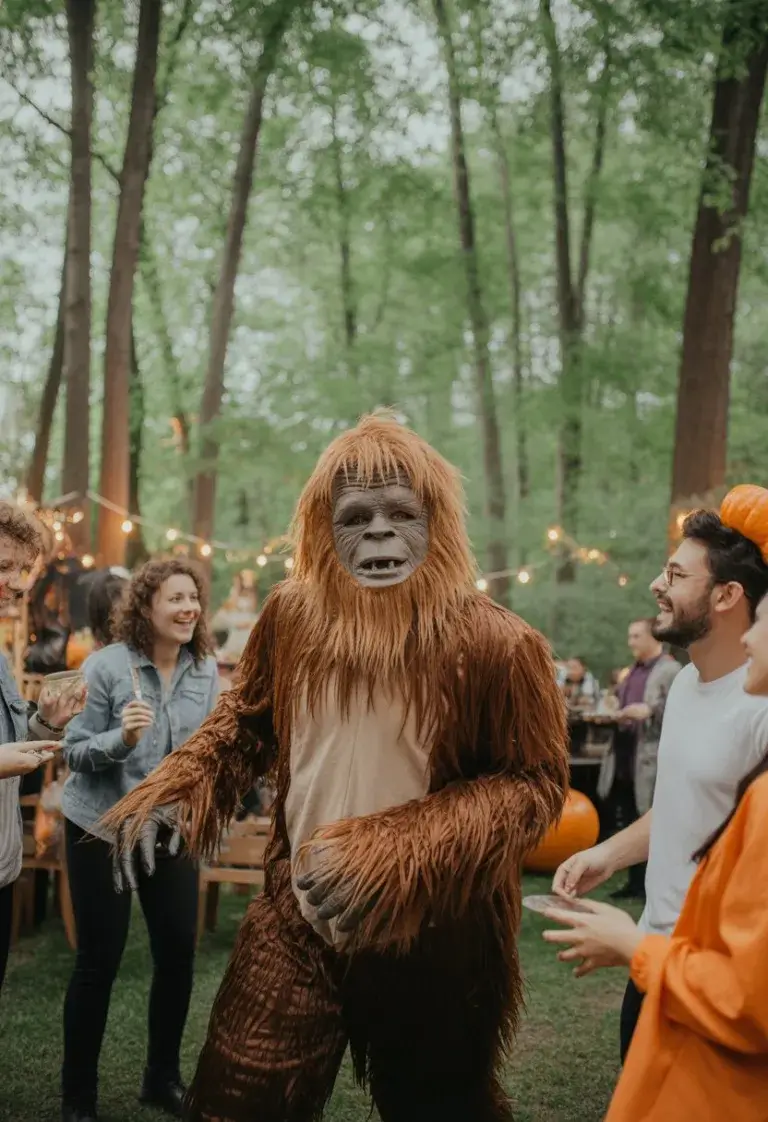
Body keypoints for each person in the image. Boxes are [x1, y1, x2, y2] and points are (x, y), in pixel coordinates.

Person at [102, 413, 569, 1122]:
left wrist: (391, 853)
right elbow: (248, 719)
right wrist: (183, 785)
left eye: (400, 515)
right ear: (325, 528)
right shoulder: (291, 616)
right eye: (357, 518)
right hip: (298, 909)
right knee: (237, 1098)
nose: (379, 534)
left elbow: (533, 784)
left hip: (431, 924)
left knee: (440, 1103)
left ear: (436, 524)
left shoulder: (498, 645)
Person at [551, 491, 768, 1062]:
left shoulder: (761, 705)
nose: (656, 584)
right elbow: (683, 807)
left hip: (714, 980)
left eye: (675, 574)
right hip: (651, 955)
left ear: (727, 594)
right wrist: (608, 855)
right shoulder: (689, 687)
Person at [59, 559, 219, 1122]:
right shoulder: (106, 667)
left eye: (193, 598)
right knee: (98, 962)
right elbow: (72, 752)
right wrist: (122, 738)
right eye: (175, 598)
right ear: (146, 607)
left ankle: (162, 1078)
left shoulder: (204, 671)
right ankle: (78, 1097)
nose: (187, 608)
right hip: (100, 826)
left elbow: (206, 751)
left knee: (177, 953)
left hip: (169, 826)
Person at [0, 501, 85, 997]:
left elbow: (16, 749)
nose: (14, 582)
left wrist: (47, 722)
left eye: (21, 569)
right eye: (3, 566)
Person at [597, 619, 680, 899]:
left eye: (635, 636)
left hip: (649, 758)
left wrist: (650, 710)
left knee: (651, 819)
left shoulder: (669, 670)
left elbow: (678, 708)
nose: (630, 642)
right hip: (624, 754)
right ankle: (634, 883)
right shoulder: (630, 672)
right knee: (631, 818)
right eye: (629, 636)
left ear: (652, 637)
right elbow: (619, 703)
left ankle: (654, 885)